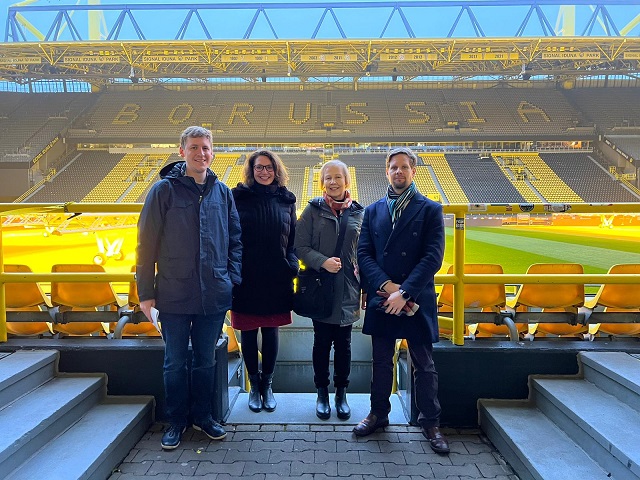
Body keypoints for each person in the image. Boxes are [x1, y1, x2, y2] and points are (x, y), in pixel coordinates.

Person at [136, 126, 242, 450]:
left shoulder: (222, 192)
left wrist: (231, 278)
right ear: (182, 152)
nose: (201, 153)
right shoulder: (163, 191)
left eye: (206, 147)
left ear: (213, 152)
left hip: (214, 293)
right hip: (173, 294)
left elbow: (235, 240)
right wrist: (145, 293)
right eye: (194, 147)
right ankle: (176, 421)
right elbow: (145, 244)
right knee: (175, 362)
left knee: (206, 361)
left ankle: (203, 417)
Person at [354, 146, 449, 454]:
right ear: (387, 171)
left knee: (424, 364)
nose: (398, 171)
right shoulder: (373, 211)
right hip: (384, 296)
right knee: (381, 361)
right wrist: (387, 286)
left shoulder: (430, 209)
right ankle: (378, 414)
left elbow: (433, 257)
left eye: (404, 167)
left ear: (413, 171)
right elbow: (364, 254)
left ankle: (430, 422)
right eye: (393, 167)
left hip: (414, 297)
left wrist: (404, 292)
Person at [294, 160, 364, 420]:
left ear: (347, 181)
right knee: (321, 343)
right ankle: (322, 393)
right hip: (321, 288)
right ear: (322, 182)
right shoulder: (312, 210)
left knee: (344, 345)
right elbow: (299, 247)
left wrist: (366, 287)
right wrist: (322, 261)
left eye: (338, 177)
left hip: (348, 290)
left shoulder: (359, 213)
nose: (333, 182)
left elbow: (364, 253)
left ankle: (341, 394)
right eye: (328, 178)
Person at [230, 149, 298, 413]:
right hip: (246, 277)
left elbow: (292, 240)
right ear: (251, 170)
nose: (264, 172)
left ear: (276, 170)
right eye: (259, 167)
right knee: (248, 332)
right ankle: (254, 385)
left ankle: (267, 385)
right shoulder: (238, 197)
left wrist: (291, 265)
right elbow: (230, 237)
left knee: (270, 331)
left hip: (276, 277)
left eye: (269, 167)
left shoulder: (286, 200)